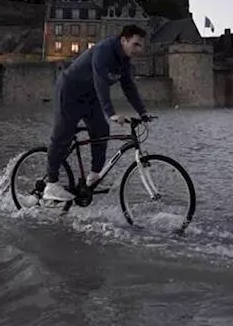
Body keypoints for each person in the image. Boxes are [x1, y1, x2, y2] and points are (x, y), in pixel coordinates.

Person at [41, 25, 151, 203]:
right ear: (124, 40)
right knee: (62, 136)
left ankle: (93, 175)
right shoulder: (104, 50)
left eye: (141, 46)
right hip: (70, 91)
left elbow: (129, 88)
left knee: (101, 130)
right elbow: (100, 81)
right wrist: (111, 112)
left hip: (89, 97)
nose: (139, 49)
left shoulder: (124, 61)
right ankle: (51, 184)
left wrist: (143, 112)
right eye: (136, 44)